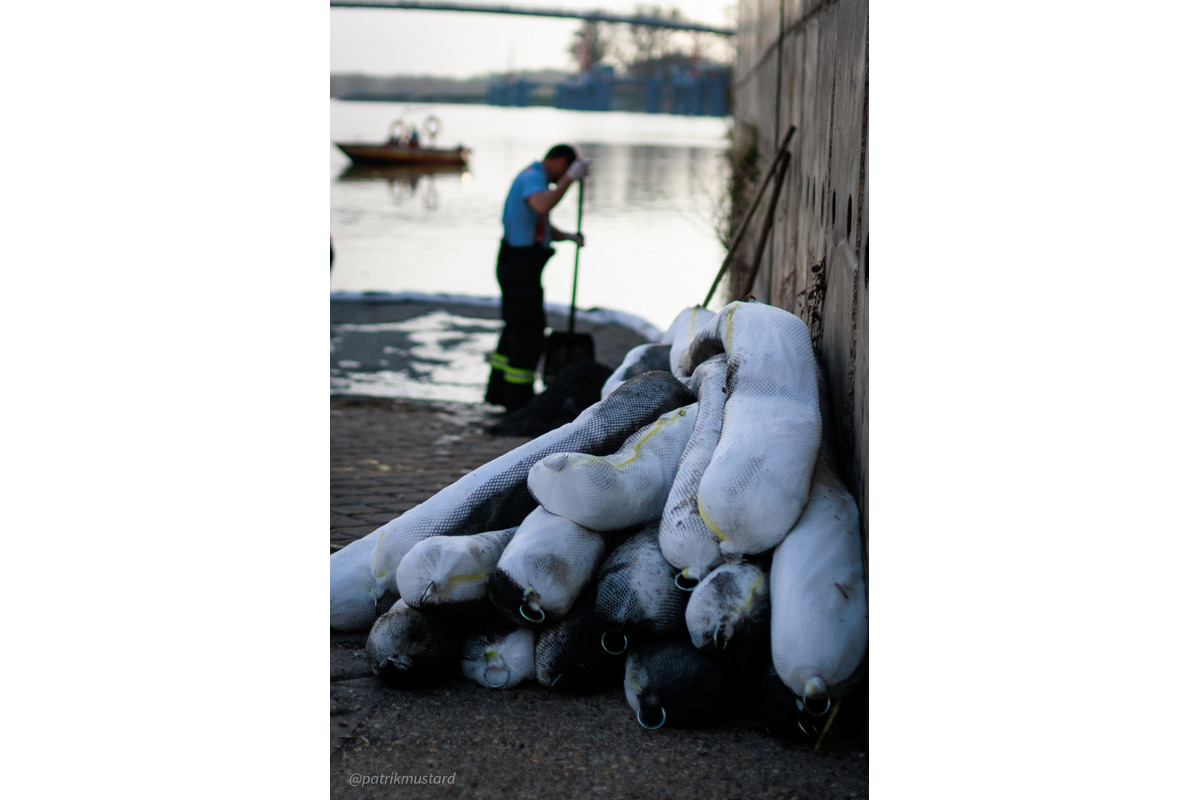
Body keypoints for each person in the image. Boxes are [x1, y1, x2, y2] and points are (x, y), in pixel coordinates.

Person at [485, 144, 589, 410]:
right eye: (564, 168)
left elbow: (538, 223)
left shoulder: (536, 179)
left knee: (515, 326)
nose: (562, 174)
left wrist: (568, 236)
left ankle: (498, 392)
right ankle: (517, 398)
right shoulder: (532, 178)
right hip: (519, 264)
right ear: (556, 160)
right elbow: (542, 206)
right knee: (527, 330)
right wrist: (570, 180)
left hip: (520, 262)